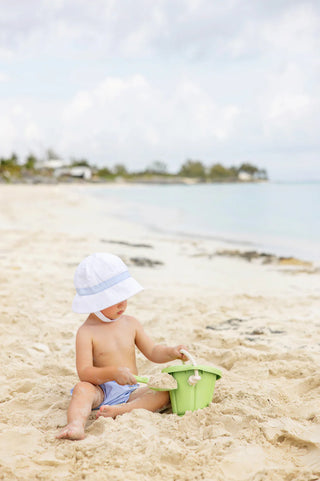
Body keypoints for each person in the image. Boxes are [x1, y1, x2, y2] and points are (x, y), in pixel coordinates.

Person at [57, 252, 187, 440]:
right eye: (114, 299)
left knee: (164, 392)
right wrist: (112, 373)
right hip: (100, 391)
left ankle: (123, 410)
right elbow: (85, 372)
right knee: (81, 389)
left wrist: (172, 352)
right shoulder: (86, 332)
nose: (123, 304)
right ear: (95, 301)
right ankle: (75, 424)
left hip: (131, 389)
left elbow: (152, 351)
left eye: (124, 297)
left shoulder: (131, 323)